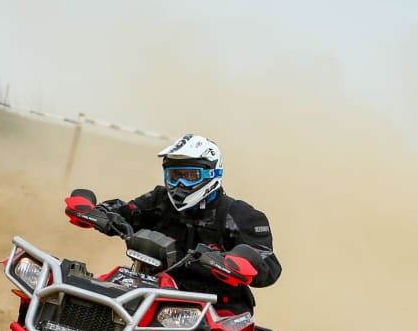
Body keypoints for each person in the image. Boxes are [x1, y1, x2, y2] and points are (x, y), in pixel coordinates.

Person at [95, 134, 281, 314]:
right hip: (154, 294)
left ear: (213, 173)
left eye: (191, 175)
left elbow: (269, 265)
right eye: (174, 176)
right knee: (98, 301)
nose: (181, 184)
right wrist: (97, 211)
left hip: (217, 307)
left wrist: (238, 262)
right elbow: (124, 211)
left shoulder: (240, 215)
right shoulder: (159, 200)